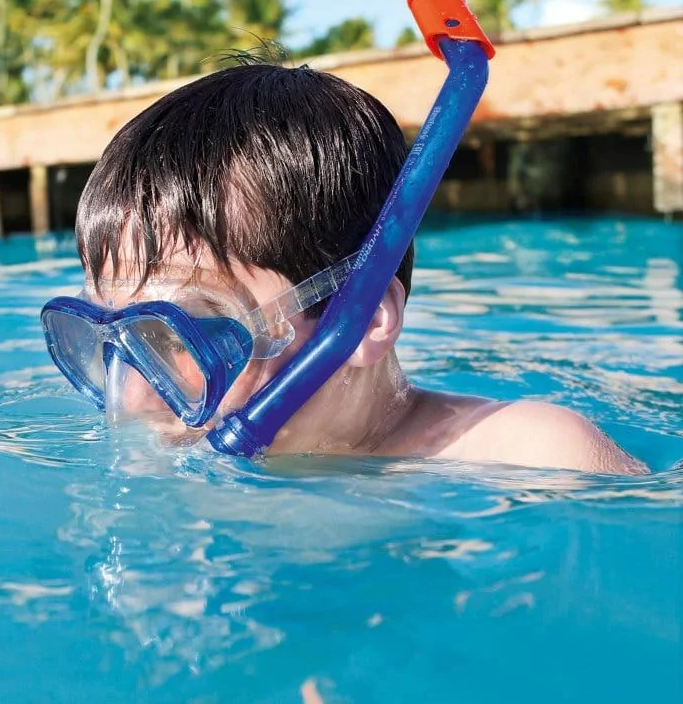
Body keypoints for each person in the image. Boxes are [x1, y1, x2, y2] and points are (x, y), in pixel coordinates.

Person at [42, 63, 645, 475]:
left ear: (360, 321)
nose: (137, 401)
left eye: (186, 331)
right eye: (113, 339)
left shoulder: (532, 457)